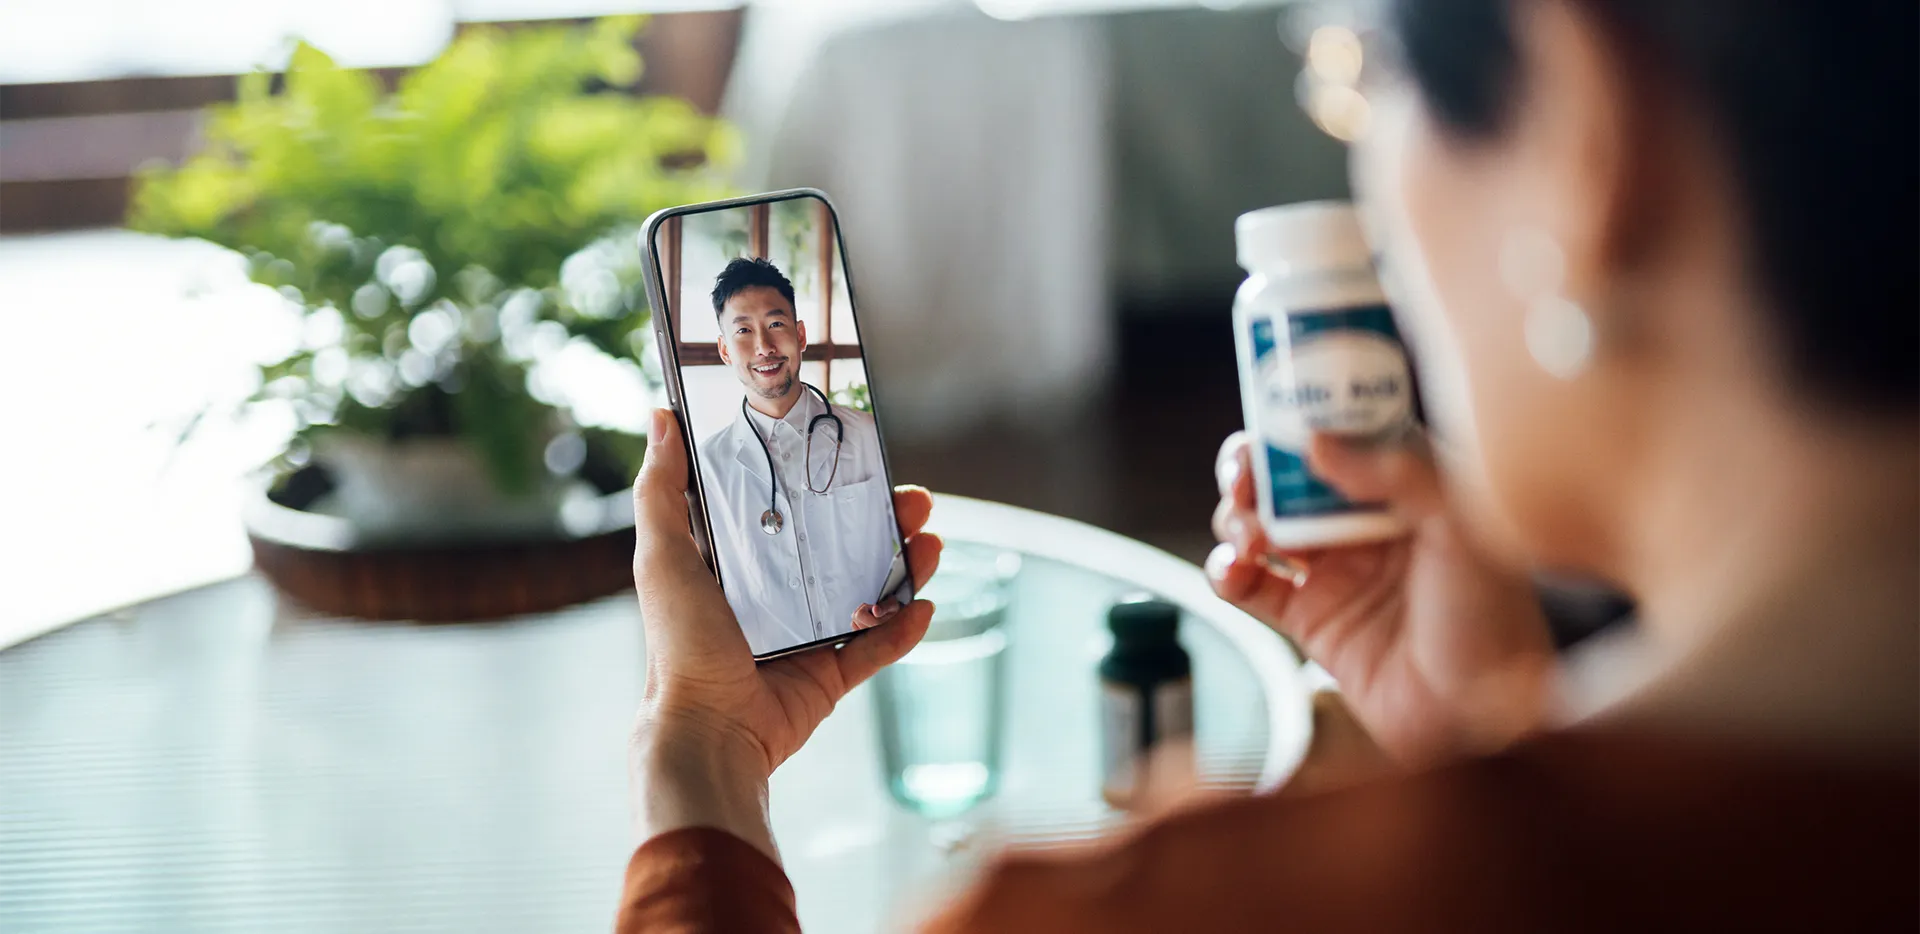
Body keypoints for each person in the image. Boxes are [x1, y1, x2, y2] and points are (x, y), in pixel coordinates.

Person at [619, 0, 1920, 930]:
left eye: (1362, 71)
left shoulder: (1165, 910)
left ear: (1586, 131)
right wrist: (1486, 739)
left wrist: (705, 757)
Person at [694, 256, 910, 657]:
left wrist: (899, 601)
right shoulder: (703, 470)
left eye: (776, 324)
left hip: (873, 655)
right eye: (744, 330)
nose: (764, 347)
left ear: (801, 334)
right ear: (724, 350)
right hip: (770, 680)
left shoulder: (870, 435)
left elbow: (912, 549)